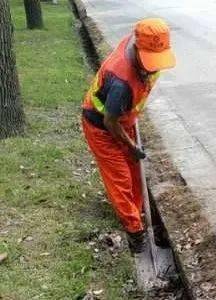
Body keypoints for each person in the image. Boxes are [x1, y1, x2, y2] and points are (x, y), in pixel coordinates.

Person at [81, 18, 176, 252]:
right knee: (120, 180)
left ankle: (141, 212)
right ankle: (135, 233)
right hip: (102, 127)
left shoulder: (140, 47)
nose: (154, 67)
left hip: (122, 119)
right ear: (137, 49)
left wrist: (132, 120)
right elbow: (110, 122)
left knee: (135, 174)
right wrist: (131, 146)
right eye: (150, 62)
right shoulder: (121, 82)